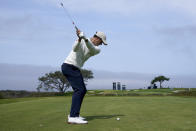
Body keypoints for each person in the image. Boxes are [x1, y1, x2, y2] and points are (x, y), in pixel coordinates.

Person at [61, 29, 107, 124]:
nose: (101, 44)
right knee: (80, 90)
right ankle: (73, 116)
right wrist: (79, 39)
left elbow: (91, 48)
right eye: (101, 42)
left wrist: (84, 38)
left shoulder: (97, 49)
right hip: (69, 66)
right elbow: (74, 48)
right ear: (97, 38)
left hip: (74, 68)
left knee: (81, 90)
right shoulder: (82, 39)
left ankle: (74, 115)